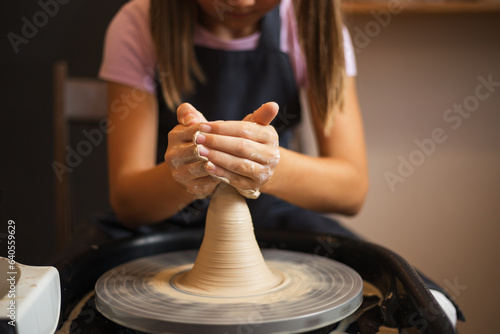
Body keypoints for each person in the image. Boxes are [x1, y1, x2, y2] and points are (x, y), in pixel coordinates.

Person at [98, 0, 461, 328]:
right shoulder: (139, 22)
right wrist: (186, 171)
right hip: (161, 221)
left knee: (426, 308)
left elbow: (351, 189)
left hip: (273, 213)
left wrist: (267, 165)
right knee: (69, 299)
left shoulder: (307, 22)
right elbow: (129, 203)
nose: (240, 1)